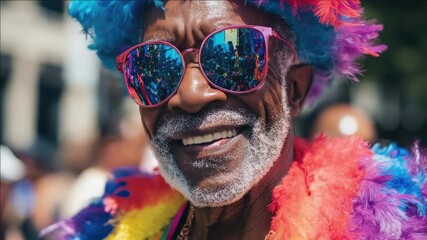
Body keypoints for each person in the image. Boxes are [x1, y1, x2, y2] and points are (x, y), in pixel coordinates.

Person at [41, 1, 426, 239]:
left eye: (233, 54)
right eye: (154, 66)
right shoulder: (108, 232)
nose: (190, 95)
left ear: (294, 89)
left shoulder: (390, 231)